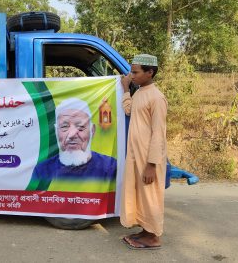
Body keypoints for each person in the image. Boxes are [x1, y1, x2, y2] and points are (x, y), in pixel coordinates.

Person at [120, 54, 168, 250]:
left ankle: (154, 237)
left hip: (149, 157)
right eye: (132, 71)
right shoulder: (139, 92)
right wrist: (125, 90)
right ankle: (145, 231)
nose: (132, 75)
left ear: (150, 72)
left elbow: (159, 133)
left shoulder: (157, 98)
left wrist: (151, 164)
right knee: (139, 193)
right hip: (135, 154)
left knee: (150, 196)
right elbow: (129, 110)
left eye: (136, 72)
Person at [27, 98, 117, 192]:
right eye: (65, 127)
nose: (72, 134)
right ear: (56, 131)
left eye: (80, 127)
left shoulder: (110, 167)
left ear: (92, 130)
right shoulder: (41, 171)